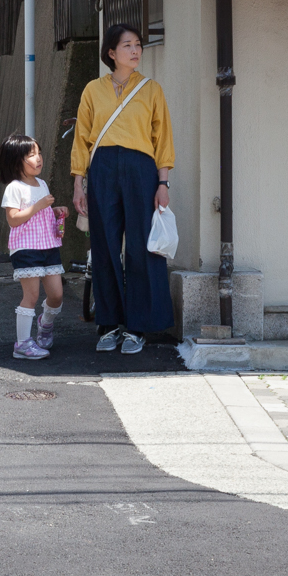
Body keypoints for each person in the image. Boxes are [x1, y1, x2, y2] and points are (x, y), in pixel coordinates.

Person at [71, 23, 174, 354]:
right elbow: (82, 139)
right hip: (101, 170)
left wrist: (163, 182)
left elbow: (163, 140)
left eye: (138, 45)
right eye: (127, 45)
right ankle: (109, 322)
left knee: (142, 247)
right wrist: (78, 184)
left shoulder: (152, 89)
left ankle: (138, 326)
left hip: (141, 171)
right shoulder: (92, 90)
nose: (136, 50)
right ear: (111, 53)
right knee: (104, 245)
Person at [0, 132, 67, 360]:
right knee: (32, 295)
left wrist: (55, 212)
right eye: (32, 155)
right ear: (17, 160)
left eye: (39, 153)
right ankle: (23, 343)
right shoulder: (14, 187)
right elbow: (13, 219)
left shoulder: (42, 183)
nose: (38, 159)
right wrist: (39, 206)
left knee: (56, 295)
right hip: (26, 248)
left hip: (48, 246)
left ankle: (45, 323)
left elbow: (42, 213)